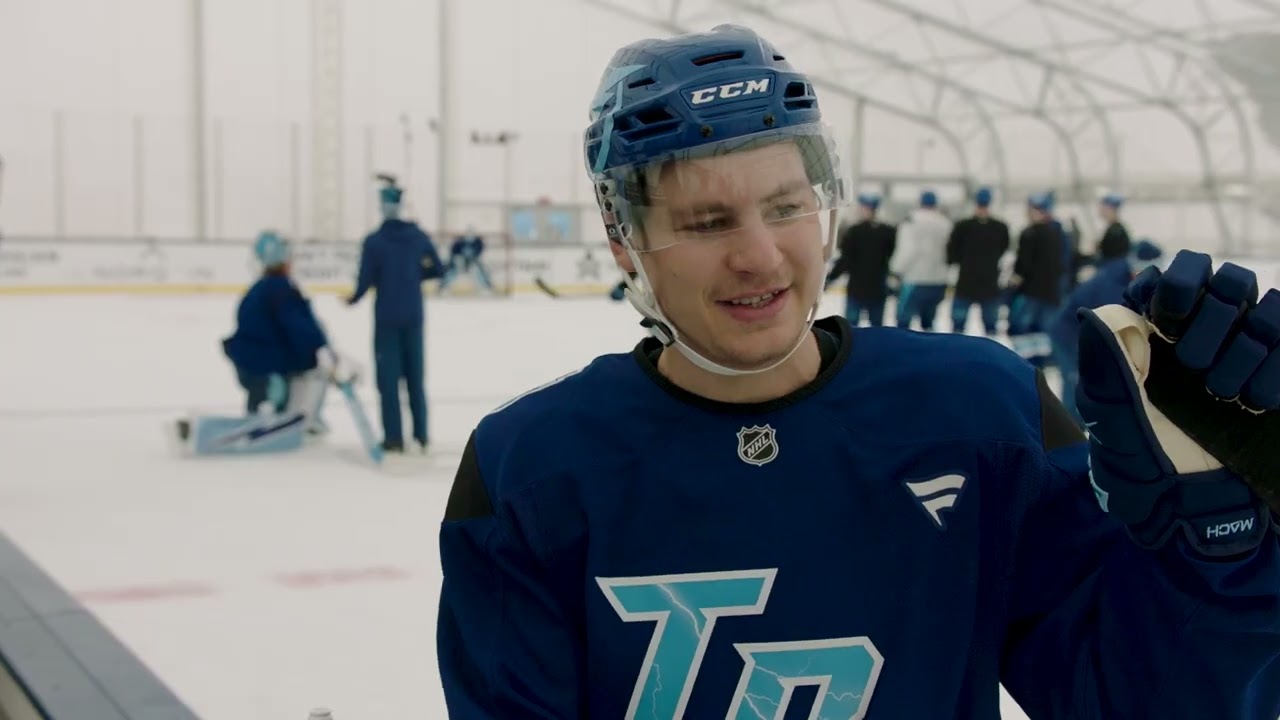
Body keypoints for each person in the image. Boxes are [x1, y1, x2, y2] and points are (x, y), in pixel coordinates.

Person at [436, 24, 1280, 719]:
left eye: (785, 206)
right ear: (624, 242)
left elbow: (1137, 702)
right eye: (705, 221)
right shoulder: (529, 471)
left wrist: (1216, 548)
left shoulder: (983, 412)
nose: (760, 256)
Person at [178, 231, 356, 455]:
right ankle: (300, 422)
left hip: (254, 362)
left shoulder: (262, 289)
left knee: (280, 388)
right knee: (304, 379)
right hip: (264, 366)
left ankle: (271, 415)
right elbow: (299, 328)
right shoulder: (281, 290)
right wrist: (320, 350)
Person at [347, 177, 444, 453]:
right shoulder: (418, 237)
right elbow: (438, 269)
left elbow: (365, 280)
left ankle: (394, 438)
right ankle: (421, 435)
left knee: (388, 380)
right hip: (413, 314)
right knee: (415, 377)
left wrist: (353, 298)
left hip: (387, 316)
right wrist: (414, 275)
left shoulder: (375, 242)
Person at [1048, 238, 1163, 426]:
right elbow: (1112, 326)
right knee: (1076, 380)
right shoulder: (1113, 287)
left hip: (1087, 330)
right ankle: (1069, 428)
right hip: (1069, 333)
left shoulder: (1131, 278)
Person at [1008, 190, 1067, 362]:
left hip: (1030, 292)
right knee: (1043, 331)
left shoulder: (1029, 234)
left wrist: (1013, 284)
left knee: (1022, 328)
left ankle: (1025, 363)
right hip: (1051, 292)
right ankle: (1043, 364)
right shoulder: (1058, 233)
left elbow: (1023, 266)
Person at [824, 193, 896, 326]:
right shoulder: (888, 232)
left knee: (852, 329)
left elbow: (845, 261)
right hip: (878, 288)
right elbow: (893, 257)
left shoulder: (855, 232)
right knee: (877, 327)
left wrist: (830, 278)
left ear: (866, 208)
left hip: (857, 289)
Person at [947, 186, 1010, 336]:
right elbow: (1003, 248)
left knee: (958, 325)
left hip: (967, 280)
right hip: (989, 281)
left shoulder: (963, 226)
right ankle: (990, 354)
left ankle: (957, 353)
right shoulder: (999, 227)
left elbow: (952, 252)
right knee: (990, 326)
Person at [891, 190, 952, 330]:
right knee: (928, 323)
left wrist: (896, 270)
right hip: (938, 279)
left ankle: (904, 351)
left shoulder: (911, 221)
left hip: (915, 279)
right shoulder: (945, 223)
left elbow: (908, 249)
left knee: (904, 322)